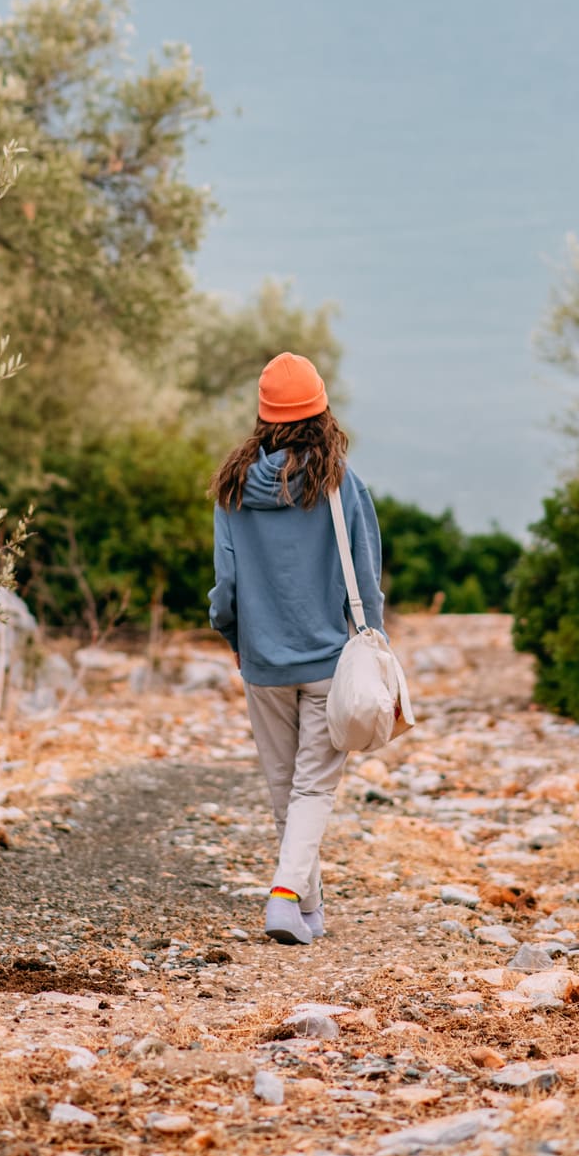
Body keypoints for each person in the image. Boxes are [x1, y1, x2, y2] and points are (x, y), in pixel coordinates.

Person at [208, 351, 385, 944]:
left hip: (261, 663)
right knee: (312, 787)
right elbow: (365, 575)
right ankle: (286, 899)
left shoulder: (232, 488)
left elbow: (226, 587)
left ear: (264, 417)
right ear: (321, 412)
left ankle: (309, 909)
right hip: (329, 661)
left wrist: (235, 638)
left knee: (286, 786)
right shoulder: (341, 484)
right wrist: (374, 640)